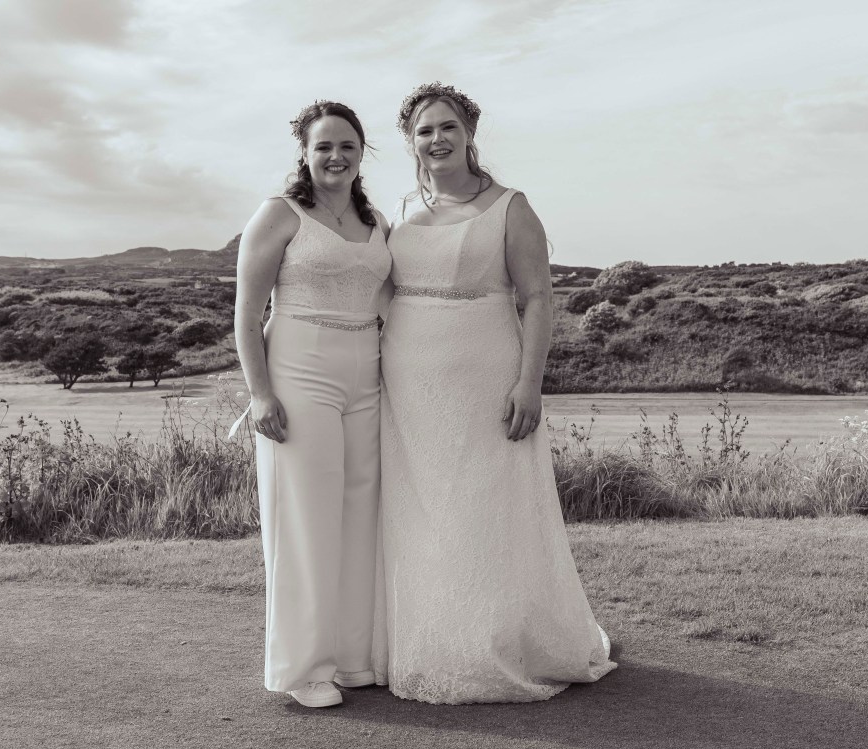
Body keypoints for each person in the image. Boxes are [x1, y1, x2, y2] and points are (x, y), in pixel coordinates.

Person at [372, 83, 617, 704]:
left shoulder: (511, 206)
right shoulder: (398, 209)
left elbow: (537, 299)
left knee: (484, 503)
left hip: (485, 368)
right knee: (419, 505)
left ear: (470, 132)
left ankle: (498, 639)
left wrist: (529, 382)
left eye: (448, 127)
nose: (437, 139)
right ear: (410, 141)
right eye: (424, 131)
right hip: (406, 374)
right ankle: (427, 639)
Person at [233, 101, 391, 708]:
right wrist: (260, 393)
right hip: (300, 369)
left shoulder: (374, 219)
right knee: (305, 520)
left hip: (367, 372)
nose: (336, 156)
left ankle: (352, 658)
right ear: (304, 150)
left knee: (359, 515)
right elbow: (246, 315)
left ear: (362, 151)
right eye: (323, 145)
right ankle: (304, 670)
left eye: (347, 145)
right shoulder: (280, 214)